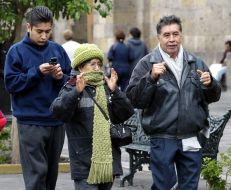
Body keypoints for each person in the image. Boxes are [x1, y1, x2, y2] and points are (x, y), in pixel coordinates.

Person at [126, 15, 221, 190]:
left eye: (175, 34)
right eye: (167, 35)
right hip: (162, 138)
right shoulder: (146, 64)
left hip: (191, 136)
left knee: (189, 186)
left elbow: (213, 97)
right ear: (158, 38)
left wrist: (211, 85)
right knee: (164, 185)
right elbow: (134, 99)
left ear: (181, 35)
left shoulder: (196, 63)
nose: (172, 39)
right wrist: (150, 78)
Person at [4, 6, 71, 190]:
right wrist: (37, 72)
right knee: (36, 177)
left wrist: (60, 78)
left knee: (51, 176)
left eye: (48, 31)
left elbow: (71, 84)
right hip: (30, 122)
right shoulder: (16, 52)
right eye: (39, 31)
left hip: (56, 122)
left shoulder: (58, 49)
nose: (44, 36)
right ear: (28, 27)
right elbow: (11, 84)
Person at [50, 43, 134, 190]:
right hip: (83, 162)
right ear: (81, 67)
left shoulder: (106, 86)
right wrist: (76, 92)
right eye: (92, 64)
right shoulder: (71, 86)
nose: (97, 68)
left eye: (99, 64)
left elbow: (125, 113)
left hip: (107, 160)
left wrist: (116, 92)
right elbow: (59, 112)